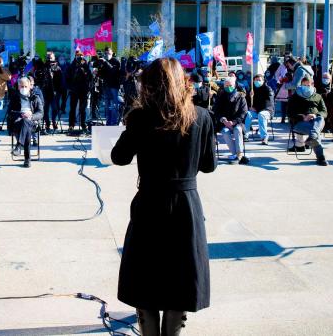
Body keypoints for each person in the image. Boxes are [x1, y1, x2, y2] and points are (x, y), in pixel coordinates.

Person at [110, 57, 216, 336]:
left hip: (150, 202)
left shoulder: (140, 117)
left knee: (145, 278)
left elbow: (119, 157)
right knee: (180, 278)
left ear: (149, 85)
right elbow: (209, 165)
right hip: (186, 205)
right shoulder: (201, 115)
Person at [287, 75, 328, 166]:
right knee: (314, 132)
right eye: (304, 85)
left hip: (316, 121)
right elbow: (289, 113)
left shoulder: (318, 96)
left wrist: (315, 115)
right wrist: (302, 117)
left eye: (308, 85)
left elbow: (324, 112)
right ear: (301, 85)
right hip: (300, 122)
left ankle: (313, 137)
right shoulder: (294, 97)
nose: (306, 87)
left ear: (312, 85)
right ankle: (321, 157)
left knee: (319, 119)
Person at [8, 77, 44, 168]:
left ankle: (19, 145)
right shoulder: (15, 97)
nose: (23, 88)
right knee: (25, 125)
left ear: (30, 86)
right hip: (17, 122)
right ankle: (27, 159)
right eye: (21, 86)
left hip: (32, 122)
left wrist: (31, 116)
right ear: (18, 87)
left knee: (26, 123)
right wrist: (20, 114)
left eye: (25, 86)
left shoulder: (35, 97)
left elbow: (40, 113)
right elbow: (9, 112)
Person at [213, 76, 249, 164]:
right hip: (223, 123)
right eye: (226, 85)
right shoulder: (220, 96)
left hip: (237, 122)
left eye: (230, 85)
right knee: (225, 131)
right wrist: (223, 120)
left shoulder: (241, 96)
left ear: (235, 85)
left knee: (237, 129)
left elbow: (243, 113)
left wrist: (233, 122)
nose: (228, 87)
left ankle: (239, 154)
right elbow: (216, 111)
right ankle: (235, 154)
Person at [67, 51, 92, 133]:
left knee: (83, 108)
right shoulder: (72, 65)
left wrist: (84, 68)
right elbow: (68, 77)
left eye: (81, 55)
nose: (80, 56)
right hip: (74, 89)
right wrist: (69, 87)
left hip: (83, 90)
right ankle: (71, 125)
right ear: (75, 56)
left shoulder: (85, 64)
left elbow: (89, 76)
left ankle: (83, 124)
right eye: (78, 55)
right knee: (72, 108)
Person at [245, 73, 274, 145]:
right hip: (255, 111)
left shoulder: (268, 89)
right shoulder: (252, 89)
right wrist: (249, 97)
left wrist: (257, 109)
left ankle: (264, 137)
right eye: (256, 80)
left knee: (261, 115)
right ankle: (245, 135)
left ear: (263, 81)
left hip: (266, 111)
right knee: (248, 114)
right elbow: (246, 102)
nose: (257, 81)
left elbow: (268, 103)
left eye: (259, 80)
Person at [99, 46, 122, 125]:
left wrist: (105, 62)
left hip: (114, 86)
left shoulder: (116, 61)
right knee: (107, 106)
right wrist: (97, 71)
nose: (107, 54)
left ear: (112, 52)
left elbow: (113, 71)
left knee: (114, 105)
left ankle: (114, 122)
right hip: (106, 86)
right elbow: (102, 75)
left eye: (108, 53)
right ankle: (108, 122)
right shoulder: (104, 62)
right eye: (105, 53)